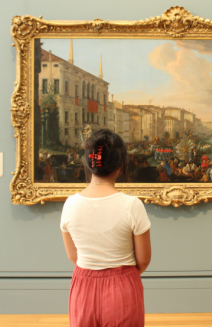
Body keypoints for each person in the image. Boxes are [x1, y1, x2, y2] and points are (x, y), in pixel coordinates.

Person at [60, 129, 151, 327]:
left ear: (88, 163)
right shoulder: (132, 205)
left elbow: (72, 256)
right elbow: (143, 260)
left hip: (83, 286)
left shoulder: (70, 204)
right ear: (120, 165)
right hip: (123, 286)